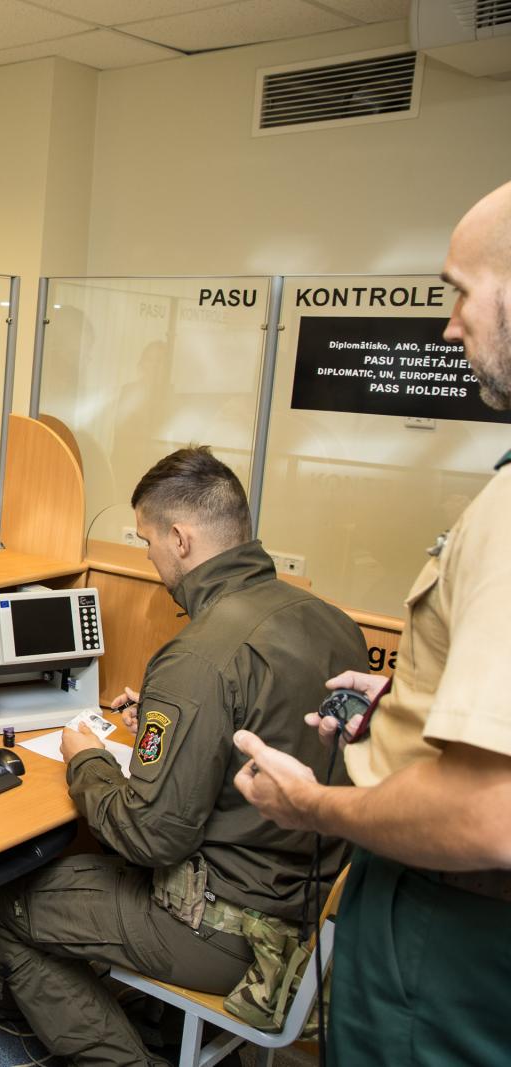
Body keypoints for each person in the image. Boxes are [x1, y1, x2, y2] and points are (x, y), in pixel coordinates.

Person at [0, 446, 367, 1067]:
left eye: (147, 541)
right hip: (305, 918)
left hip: (223, 929)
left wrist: (86, 757)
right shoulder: (331, 622)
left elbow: (149, 837)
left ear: (180, 538)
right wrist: (165, 717)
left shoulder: (200, 654)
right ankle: (151, 1028)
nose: (149, 558)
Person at [234, 181, 511, 1066]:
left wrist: (311, 804)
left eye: (462, 292)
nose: (450, 327)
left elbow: (489, 813)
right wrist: (411, 704)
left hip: (452, 937)